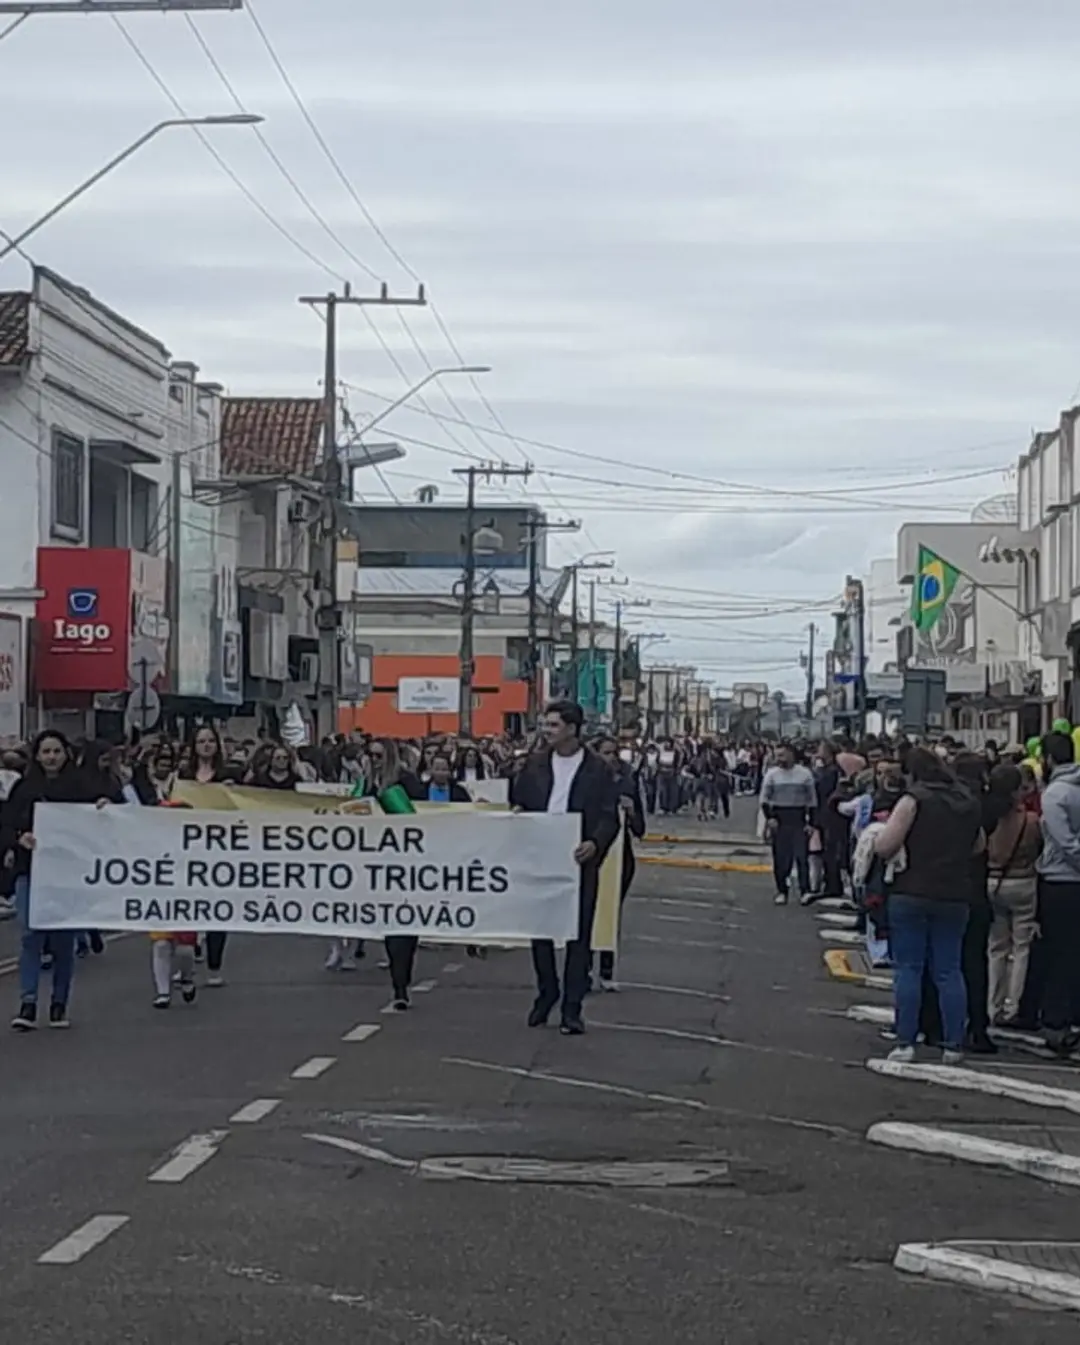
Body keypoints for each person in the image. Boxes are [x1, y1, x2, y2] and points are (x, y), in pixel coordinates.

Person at [511, 700, 619, 1034]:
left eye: (554, 725)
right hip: (542, 855)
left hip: (578, 858)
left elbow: (608, 816)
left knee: (578, 935)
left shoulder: (598, 768)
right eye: (545, 724)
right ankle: (547, 992)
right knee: (540, 931)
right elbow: (521, 802)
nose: (547, 730)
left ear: (573, 729)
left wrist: (595, 843)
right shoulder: (534, 764)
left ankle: (572, 1008)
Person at [874, 747, 983, 1064]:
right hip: (956, 892)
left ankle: (906, 1040)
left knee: (909, 968)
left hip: (913, 889)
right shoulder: (967, 802)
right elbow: (979, 846)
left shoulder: (913, 800)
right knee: (949, 969)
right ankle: (953, 1044)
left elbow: (885, 846)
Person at [2, 730, 117, 1031]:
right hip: (31, 870)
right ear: (37, 756)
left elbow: (110, 812)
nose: (51, 757)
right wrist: (18, 838)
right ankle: (28, 1003)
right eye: (45, 752)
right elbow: (6, 823)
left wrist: (105, 806)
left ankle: (58, 1003)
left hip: (67, 874)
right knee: (30, 933)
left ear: (66, 754)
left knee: (63, 940)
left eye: (56, 751)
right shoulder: (24, 788)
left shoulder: (81, 786)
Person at [1034, 731, 1080, 1053]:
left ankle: (1056, 1020)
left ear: (1048, 759)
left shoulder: (1054, 794)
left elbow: (1064, 843)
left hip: (1060, 880)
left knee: (1058, 953)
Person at [985, 763, 1041, 1026]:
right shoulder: (1030, 821)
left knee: (996, 948)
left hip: (992, 880)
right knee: (1021, 947)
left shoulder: (987, 817)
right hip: (1023, 881)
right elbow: (1038, 848)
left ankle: (992, 1006)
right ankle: (1014, 1006)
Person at [178, 725, 234, 985]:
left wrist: (231, 792)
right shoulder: (184, 776)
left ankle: (214, 965)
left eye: (211, 741)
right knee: (188, 907)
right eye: (201, 741)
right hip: (189, 850)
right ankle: (186, 960)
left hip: (220, 851)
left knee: (217, 909)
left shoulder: (228, 775)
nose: (207, 745)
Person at [593, 735, 647, 990]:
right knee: (587, 912)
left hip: (620, 858)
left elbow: (640, 830)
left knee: (610, 914)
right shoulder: (586, 784)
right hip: (591, 855)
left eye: (615, 753)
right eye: (605, 753)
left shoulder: (627, 783)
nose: (612, 758)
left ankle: (606, 970)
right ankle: (581, 969)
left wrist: (632, 810)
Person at [760, 743, 817, 906]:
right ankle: (781, 890)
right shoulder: (772, 775)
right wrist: (769, 818)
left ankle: (805, 890)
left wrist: (811, 822)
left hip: (798, 817)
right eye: (777, 756)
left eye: (782, 755)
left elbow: (812, 800)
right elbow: (764, 799)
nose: (779, 759)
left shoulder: (804, 774)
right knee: (781, 857)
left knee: (801, 856)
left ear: (792, 754)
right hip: (779, 818)